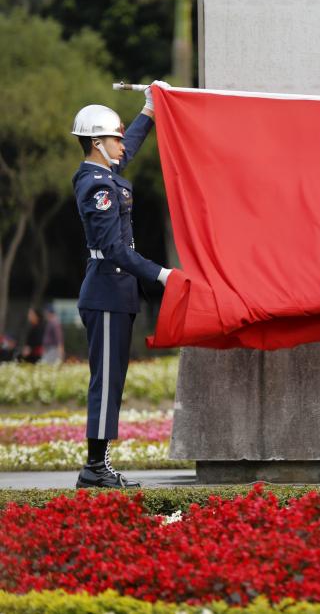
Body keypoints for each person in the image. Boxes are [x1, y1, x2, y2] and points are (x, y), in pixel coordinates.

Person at [71, 81, 174, 489]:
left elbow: (127, 149)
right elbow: (114, 249)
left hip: (115, 293)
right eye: (114, 138)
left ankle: (99, 464)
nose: (121, 144)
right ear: (97, 144)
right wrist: (161, 274)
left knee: (112, 381)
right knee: (106, 381)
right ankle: (95, 467)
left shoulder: (102, 173)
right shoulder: (97, 186)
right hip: (107, 292)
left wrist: (148, 111)